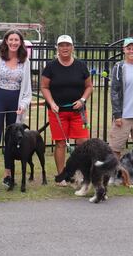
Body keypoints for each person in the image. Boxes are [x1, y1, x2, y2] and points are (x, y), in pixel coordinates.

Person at [0, 29, 33, 191]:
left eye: (17, 40)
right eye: (11, 40)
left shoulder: (25, 62)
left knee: (12, 139)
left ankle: (8, 175)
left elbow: (27, 88)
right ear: (6, 41)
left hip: (15, 102)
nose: (14, 43)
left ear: (20, 43)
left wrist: (23, 105)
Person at [40, 34, 93, 181]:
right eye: (61, 45)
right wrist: (52, 103)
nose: (65, 48)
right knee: (61, 143)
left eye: (67, 45)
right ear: (57, 48)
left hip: (78, 112)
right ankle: (61, 176)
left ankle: (81, 174)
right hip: (58, 112)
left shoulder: (81, 65)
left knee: (82, 142)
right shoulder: (51, 66)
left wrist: (82, 100)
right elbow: (44, 87)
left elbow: (89, 86)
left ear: (72, 47)